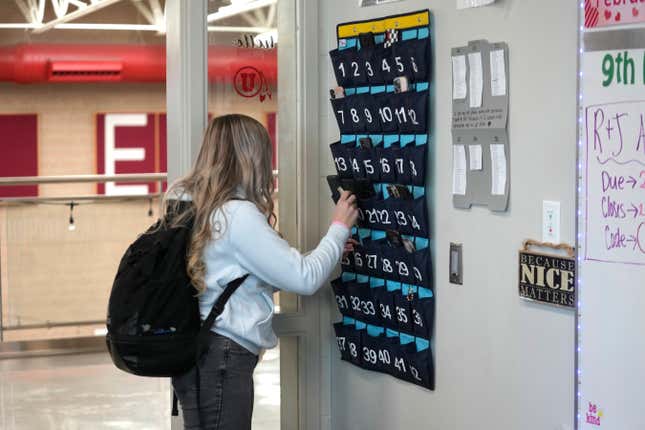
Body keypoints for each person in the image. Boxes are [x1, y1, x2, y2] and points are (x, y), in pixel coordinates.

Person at [164, 114, 358, 430]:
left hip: (199, 351)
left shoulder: (198, 206)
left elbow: (243, 274)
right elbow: (303, 279)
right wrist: (339, 227)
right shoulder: (238, 215)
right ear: (249, 156)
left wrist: (329, 252)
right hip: (222, 357)